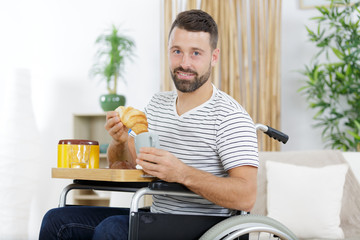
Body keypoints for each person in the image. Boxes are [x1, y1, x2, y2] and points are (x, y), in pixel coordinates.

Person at [39, 9, 258, 240]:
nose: (184, 63)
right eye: (177, 51)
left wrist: (182, 173)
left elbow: (246, 196)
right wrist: (120, 141)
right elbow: (123, 165)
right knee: (56, 220)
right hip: (158, 218)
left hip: (208, 227)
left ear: (214, 57)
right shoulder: (157, 105)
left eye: (196, 53)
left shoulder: (230, 117)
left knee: (112, 229)